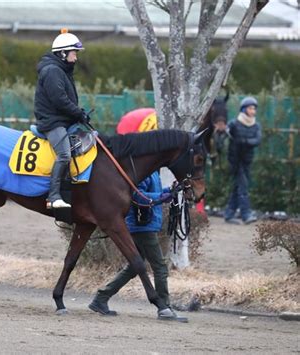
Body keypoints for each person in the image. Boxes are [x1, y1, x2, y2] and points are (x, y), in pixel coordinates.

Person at [88, 111, 187, 322]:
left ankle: (101, 298)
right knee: (159, 266)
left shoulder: (151, 168)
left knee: (134, 266)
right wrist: (163, 196)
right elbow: (137, 196)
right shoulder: (139, 169)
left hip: (146, 222)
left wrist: (170, 191)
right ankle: (164, 307)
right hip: (141, 225)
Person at [34, 29, 88, 209]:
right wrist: (78, 113)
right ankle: (53, 196)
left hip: (63, 120)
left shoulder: (62, 70)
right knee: (64, 153)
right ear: (63, 53)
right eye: (74, 53)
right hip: (52, 122)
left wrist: (78, 115)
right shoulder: (52, 71)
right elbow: (59, 100)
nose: (76, 57)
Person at [224, 97, 262, 225]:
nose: (253, 111)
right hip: (235, 161)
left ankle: (229, 214)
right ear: (244, 109)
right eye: (251, 108)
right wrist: (226, 130)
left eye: (254, 108)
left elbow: (257, 140)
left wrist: (245, 142)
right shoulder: (234, 123)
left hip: (247, 161)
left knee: (238, 187)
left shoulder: (256, 125)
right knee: (243, 187)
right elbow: (226, 130)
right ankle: (246, 215)